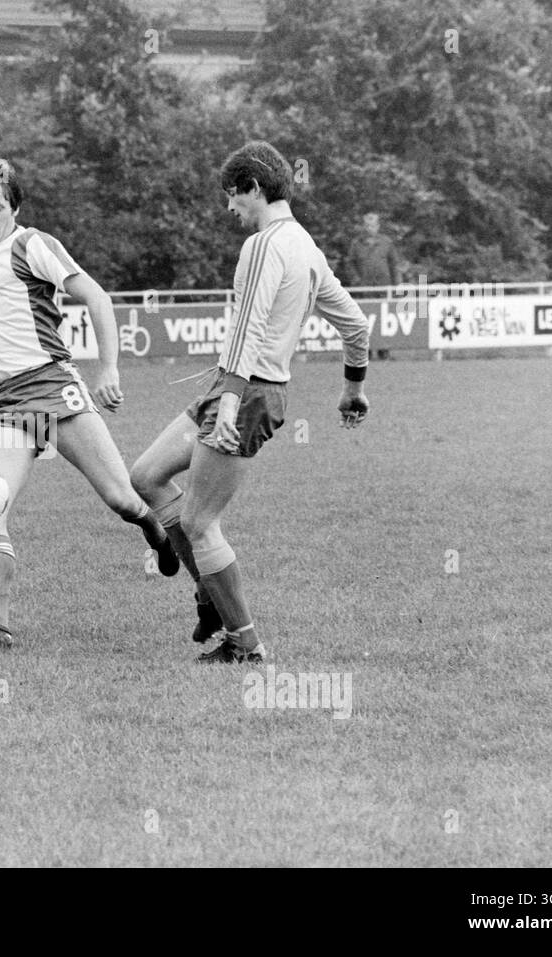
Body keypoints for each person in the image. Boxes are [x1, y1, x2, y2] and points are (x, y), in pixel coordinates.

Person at [0, 158, 179, 650]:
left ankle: (153, 528)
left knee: (121, 498)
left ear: (15, 208)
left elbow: (98, 297)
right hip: (1, 402)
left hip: (51, 386)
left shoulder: (32, 245)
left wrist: (108, 368)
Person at [129, 141, 371, 663]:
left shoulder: (264, 245)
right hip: (244, 389)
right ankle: (208, 595)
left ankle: (245, 644)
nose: (229, 208)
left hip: (247, 392)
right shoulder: (306, 246)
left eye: (232, 196)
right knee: (146, 476)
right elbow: (356, 323)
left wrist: (231, 405)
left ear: (254, 189)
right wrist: (354, 387)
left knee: (198, 523)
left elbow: (247, 329)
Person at [345, 211, 401, 288]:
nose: (369, 229)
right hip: (364, 287)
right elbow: (350, 264)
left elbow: (394, 264)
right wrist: (356, 280)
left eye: (372, 226)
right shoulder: (356, 243)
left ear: (378, 226)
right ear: (363, 226)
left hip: (384, 285)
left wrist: (397, 284)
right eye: (367, 226)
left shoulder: (386, 242)